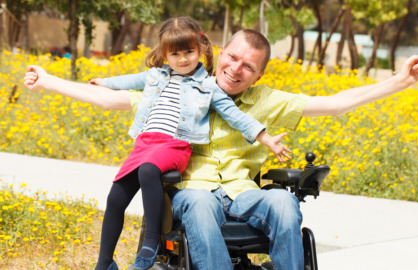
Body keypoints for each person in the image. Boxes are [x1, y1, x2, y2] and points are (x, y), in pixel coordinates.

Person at [24, 28, 418, 270]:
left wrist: (401, 82)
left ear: (260, 74)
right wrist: (47, 79)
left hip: (244, 192)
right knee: (198, 204)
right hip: (195, 191)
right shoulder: (177, 86)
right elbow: (108, 99)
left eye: (248, 67)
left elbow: (336, 103)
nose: (236, 69)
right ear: (219, 53)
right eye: (232, 58)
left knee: (285, 205)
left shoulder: (270, 101)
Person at [24, 18, 290, 270]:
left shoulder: (209, 87)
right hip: (146, 143)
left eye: (189, 52)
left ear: (201, 50)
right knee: (115, 198)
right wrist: (99, 81)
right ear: (165, 55)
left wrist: (265, 138)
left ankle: (151, 241)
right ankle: (104, 262)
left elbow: (236, 116)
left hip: (174, 145)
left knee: (149, 170)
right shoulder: (156, 77)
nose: (182, 59)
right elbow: (125, 82)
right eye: (175, 54)